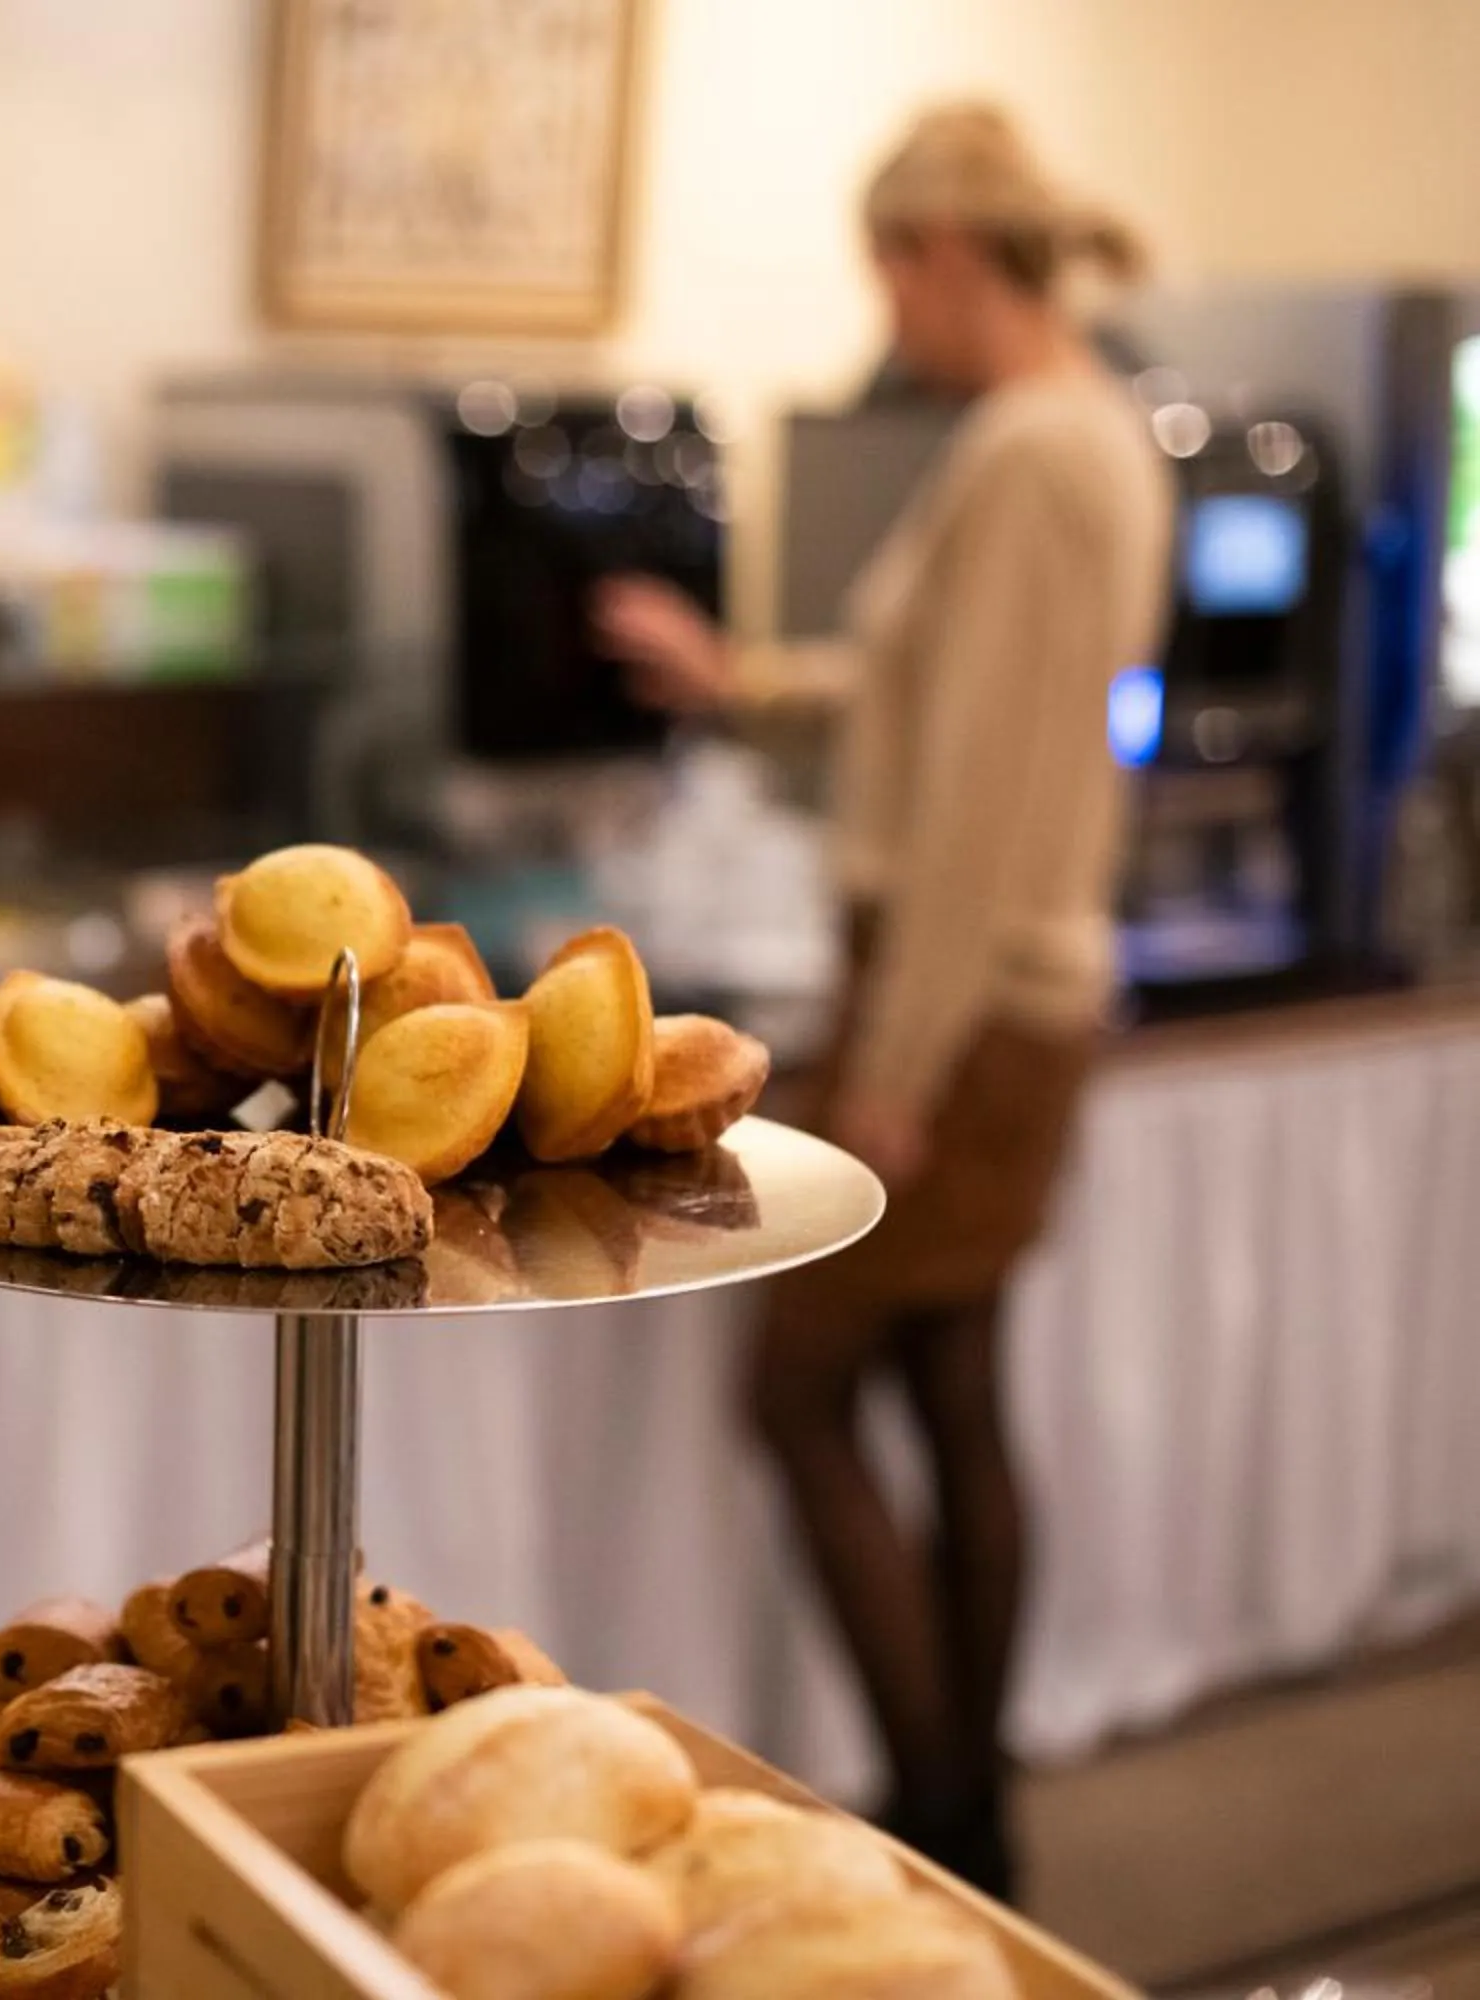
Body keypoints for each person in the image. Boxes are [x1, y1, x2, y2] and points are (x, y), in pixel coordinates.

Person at [592, 103, 1175, 1896]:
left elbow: (986, 806)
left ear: (938, 254)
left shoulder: (1023, 452)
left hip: (962, 1010)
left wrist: (896, 1068)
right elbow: (946, 698)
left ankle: (940, 1818)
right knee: (954, 1390)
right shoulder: (1094, 436)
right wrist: (742, 677)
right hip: (1015, 1002)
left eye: (885, 276)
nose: (886, 321)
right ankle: (972, 1822)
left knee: (795, 1389)